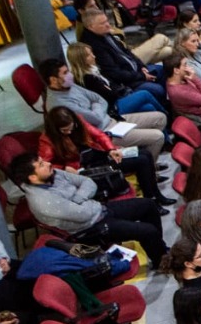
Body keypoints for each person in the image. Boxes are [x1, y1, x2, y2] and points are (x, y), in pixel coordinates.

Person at [11, 153, 168, 267]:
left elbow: (88, 182)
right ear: (32, 178)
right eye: (41, 165)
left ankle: (160, 250)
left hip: (98, 209)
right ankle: (162, 262)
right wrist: (83, 200)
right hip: (90, 228)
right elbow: (83, 215)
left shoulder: (53, 174)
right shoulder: (43, 201)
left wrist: (77, 199)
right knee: (148, 231)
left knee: (148, 205)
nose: (47, 163)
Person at [39, 107, 172, 208]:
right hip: (84, 169)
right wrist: (65, 168)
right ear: (56, 130)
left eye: (71, 128)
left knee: (145, 154)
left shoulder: (78, 120)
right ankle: (152, 199)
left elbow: (99, 135)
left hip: (99, 154)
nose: (69, 132)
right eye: (65, 131)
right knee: (141, 160)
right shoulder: (47, 140)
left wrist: (111, 149)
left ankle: (154, 195)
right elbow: (47, 165)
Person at [39, 57, 168, 162]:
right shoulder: (59, 104)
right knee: (157, 137)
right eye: (65, 73)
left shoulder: (70, 86)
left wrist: (94, 107)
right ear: (53, 79)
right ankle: (149, 171)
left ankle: (146, 159)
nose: (70, 75)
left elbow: (99, 99)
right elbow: (95, 118)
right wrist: (95, 107)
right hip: (106, 133)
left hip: (113, 119)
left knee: (160, 118)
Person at [79, 8, 167, 103]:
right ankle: (164, 110)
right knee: (157, 89)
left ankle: (169, 104)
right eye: (102, 23)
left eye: (107, 21)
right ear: (90, 27)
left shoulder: (105, 33)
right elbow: (115, 73)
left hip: (134, 70)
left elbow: (126, 51)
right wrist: (141, 76)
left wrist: (141, 66)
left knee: (162, 70)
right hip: (126, 81)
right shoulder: (94, 46)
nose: (108, 25)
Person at [66, 41, 168, 118]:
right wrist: (110, 89)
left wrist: (110, 88)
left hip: (119, 98)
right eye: (89, 55)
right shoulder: (87, 78)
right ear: (81, 59)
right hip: (113, 108)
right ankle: (167, 114)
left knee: (149, 107)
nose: (94, 56)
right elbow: (110, 95)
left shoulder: (95, 70)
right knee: (145, 94)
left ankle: (166, 138)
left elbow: (111, 87)